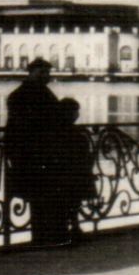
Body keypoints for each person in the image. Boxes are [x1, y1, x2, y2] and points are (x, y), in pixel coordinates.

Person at [6, 57, 60, 243]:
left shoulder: (29, 93)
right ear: (31, 72)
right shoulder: (28, 94)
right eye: (42, 72)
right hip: (33, 153)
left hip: (35, 152)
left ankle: (44, 235)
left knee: (41, 194)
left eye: (47, 72)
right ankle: (43, 235)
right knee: (40, 194)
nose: (47, 76)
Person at [44, 98, 90, 246]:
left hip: (62, 174)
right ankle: (73, 227)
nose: (78, 114)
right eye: (76, 111)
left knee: (69, 195)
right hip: (70, 175)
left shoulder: (56, 131)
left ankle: (68, 228)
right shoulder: (72, 132)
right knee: (74, 195)